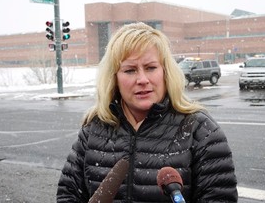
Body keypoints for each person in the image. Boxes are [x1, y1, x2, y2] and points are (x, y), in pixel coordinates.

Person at [56, 22, 238, 202]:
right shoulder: (93, 129)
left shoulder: (201, 131)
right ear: (114, 78)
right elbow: (68, 195)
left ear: (166, 72)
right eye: (129, 70)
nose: (142, 79)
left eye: (151, 67)